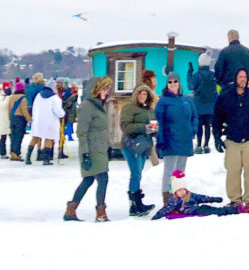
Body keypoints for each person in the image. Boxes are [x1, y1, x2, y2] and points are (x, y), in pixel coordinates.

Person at [212, 68, 249, 208]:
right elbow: (217, 118)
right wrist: (217, 138)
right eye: (240, 77)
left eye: (245, 77)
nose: (242, 79)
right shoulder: (225, 98)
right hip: (232, 139)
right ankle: (235, 200)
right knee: (233, 170)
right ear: (235, 78)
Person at [64, 76, 114, 222]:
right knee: (102, 178)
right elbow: (82, 131)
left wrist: (108, 146)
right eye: (105, 88)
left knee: (89, 179)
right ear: (97, 89)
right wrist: (86, 153)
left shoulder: (100, 105)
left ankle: (71, 209)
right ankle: (100, 212)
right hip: (92, 148)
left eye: (108, 88)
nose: (107, 91)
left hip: (100, 147)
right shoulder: (87, 105)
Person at [155, 72, 197, 205]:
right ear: (167, 85)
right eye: (170, 82)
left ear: (179, 83)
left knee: (180, 171)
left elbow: (194, 116)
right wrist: (160, 139)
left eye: (175, 81)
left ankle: (178, 197)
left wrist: (193, 130)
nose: (173, 84)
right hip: (170, 140)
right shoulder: (163, 101)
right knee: (169, 171)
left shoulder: (187, 100)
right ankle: (167, 199)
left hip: (185, 140)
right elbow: (159, 121)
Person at [120, 82, 158, 216]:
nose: (143, 96)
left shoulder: (149, 109)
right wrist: (144, 127)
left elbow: (152, 126)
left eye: (145, 93)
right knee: (135, 174)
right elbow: (125, 126)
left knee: (138, 173)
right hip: (130, 145)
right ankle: (134, 205)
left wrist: (154, 130)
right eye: (141, 93)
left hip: (144, 145)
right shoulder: (129, 108)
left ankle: (138, 203)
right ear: (136, 94)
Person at [152, 170, 239, 219]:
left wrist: (213, 199)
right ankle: (234, 210)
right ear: (175, 192)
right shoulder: (174, 200)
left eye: (183, 189)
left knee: (210, 208)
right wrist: (158, 214)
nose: (182, 192)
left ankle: (231, 209)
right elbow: (167, 208)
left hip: (199, 208)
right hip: (194, 211)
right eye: (179, 190)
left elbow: (200, 198)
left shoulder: (188, 194)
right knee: (215, 212)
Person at [31, 78, 66, 165]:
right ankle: (46, 159)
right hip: (51, 121)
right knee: (49, 139)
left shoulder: (39, 95)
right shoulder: (54, 97)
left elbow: (34, 107)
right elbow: (58, 111)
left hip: (39, 121)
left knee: (35, 137)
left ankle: (28, 157)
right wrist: (63, 114)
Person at [190, 53, 218, 154]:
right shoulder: (213, 75)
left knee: (199, 126)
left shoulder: (196, 75)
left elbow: (191, 86)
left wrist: (189, 73)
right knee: (207, 126)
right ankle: (206, 145)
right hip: (210, 105)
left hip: (199, 105)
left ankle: (198, 145)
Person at [24, 73, 48, 163]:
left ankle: (28, 156)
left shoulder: (29, 88)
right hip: (41, 111)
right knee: (43, 134)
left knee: (36, 133)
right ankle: (40, 152)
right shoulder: (41, 89)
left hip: (30, 109)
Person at [7, 84, 32, 162]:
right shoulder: (23, 98)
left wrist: (9, 118)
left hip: (12, 118)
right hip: (20, 119)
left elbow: (9, 109)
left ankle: (12, 152)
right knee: (18, 137)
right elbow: (24, 110)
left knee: (13, 137)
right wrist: (29, 119)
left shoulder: (11, 97)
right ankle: (16, 154)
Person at [0, 82, 12, 158]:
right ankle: (2, 153)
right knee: (3, 137)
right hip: (3, 118)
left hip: (9, 118)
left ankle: (13, 152)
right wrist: (8, 97)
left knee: (12, 137)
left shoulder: (9, 94)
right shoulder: (0, 95)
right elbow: (2, 106)